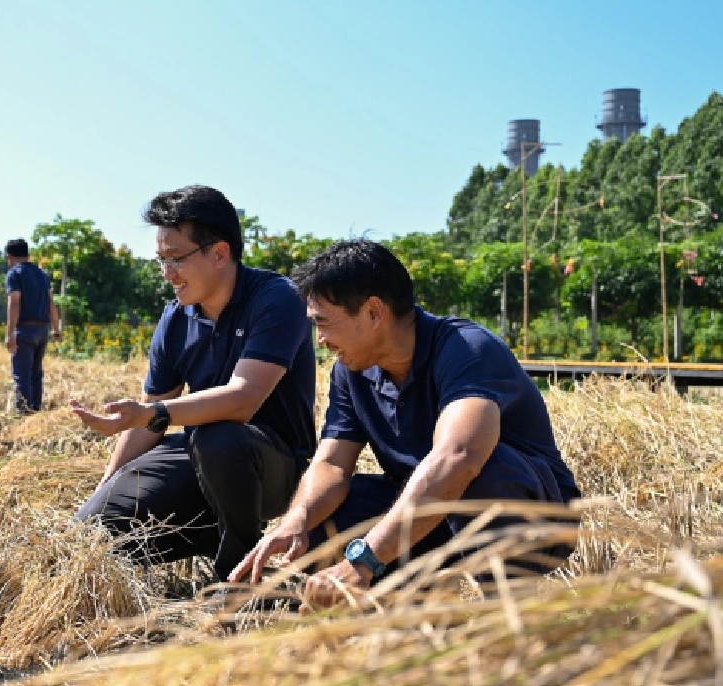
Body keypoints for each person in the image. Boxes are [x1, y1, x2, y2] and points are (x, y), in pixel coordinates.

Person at [229, 239, 582, 609]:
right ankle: (404, 610)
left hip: (530, 515)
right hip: (429, 516)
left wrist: (364, 560)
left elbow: (458, 457)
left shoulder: (467, 349)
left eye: (324, 323)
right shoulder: (351, 371)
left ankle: (507, 613)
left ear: (373, 312)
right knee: (325, 518)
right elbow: (332, 463)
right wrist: (296, 521)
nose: (320, 339)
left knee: (485, 472)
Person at [71, 185, 317, 582]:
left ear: (219, 253)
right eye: (161, 260)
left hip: (274, 466)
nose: (167, 273)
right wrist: (104, 489)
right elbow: (147, 422)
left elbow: (242, 399)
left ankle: (235, 578)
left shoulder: (276, 299)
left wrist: (152, 414)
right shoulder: (176, 318)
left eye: (176, 258)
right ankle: (212, 534)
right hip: (201, 457)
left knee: (218, 435)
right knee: (95, 530)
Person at [4, 238, 61, 413]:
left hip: (24, 329)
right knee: (36, 374)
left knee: (22, 375)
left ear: (9, 257)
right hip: (42, 329)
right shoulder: (42, 274)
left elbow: (14, 302)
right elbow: (51, 303)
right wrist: (56, 328)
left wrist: (10, 333)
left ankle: (23, 413)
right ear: (28, 255)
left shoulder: (14, 274)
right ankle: (36, 411)